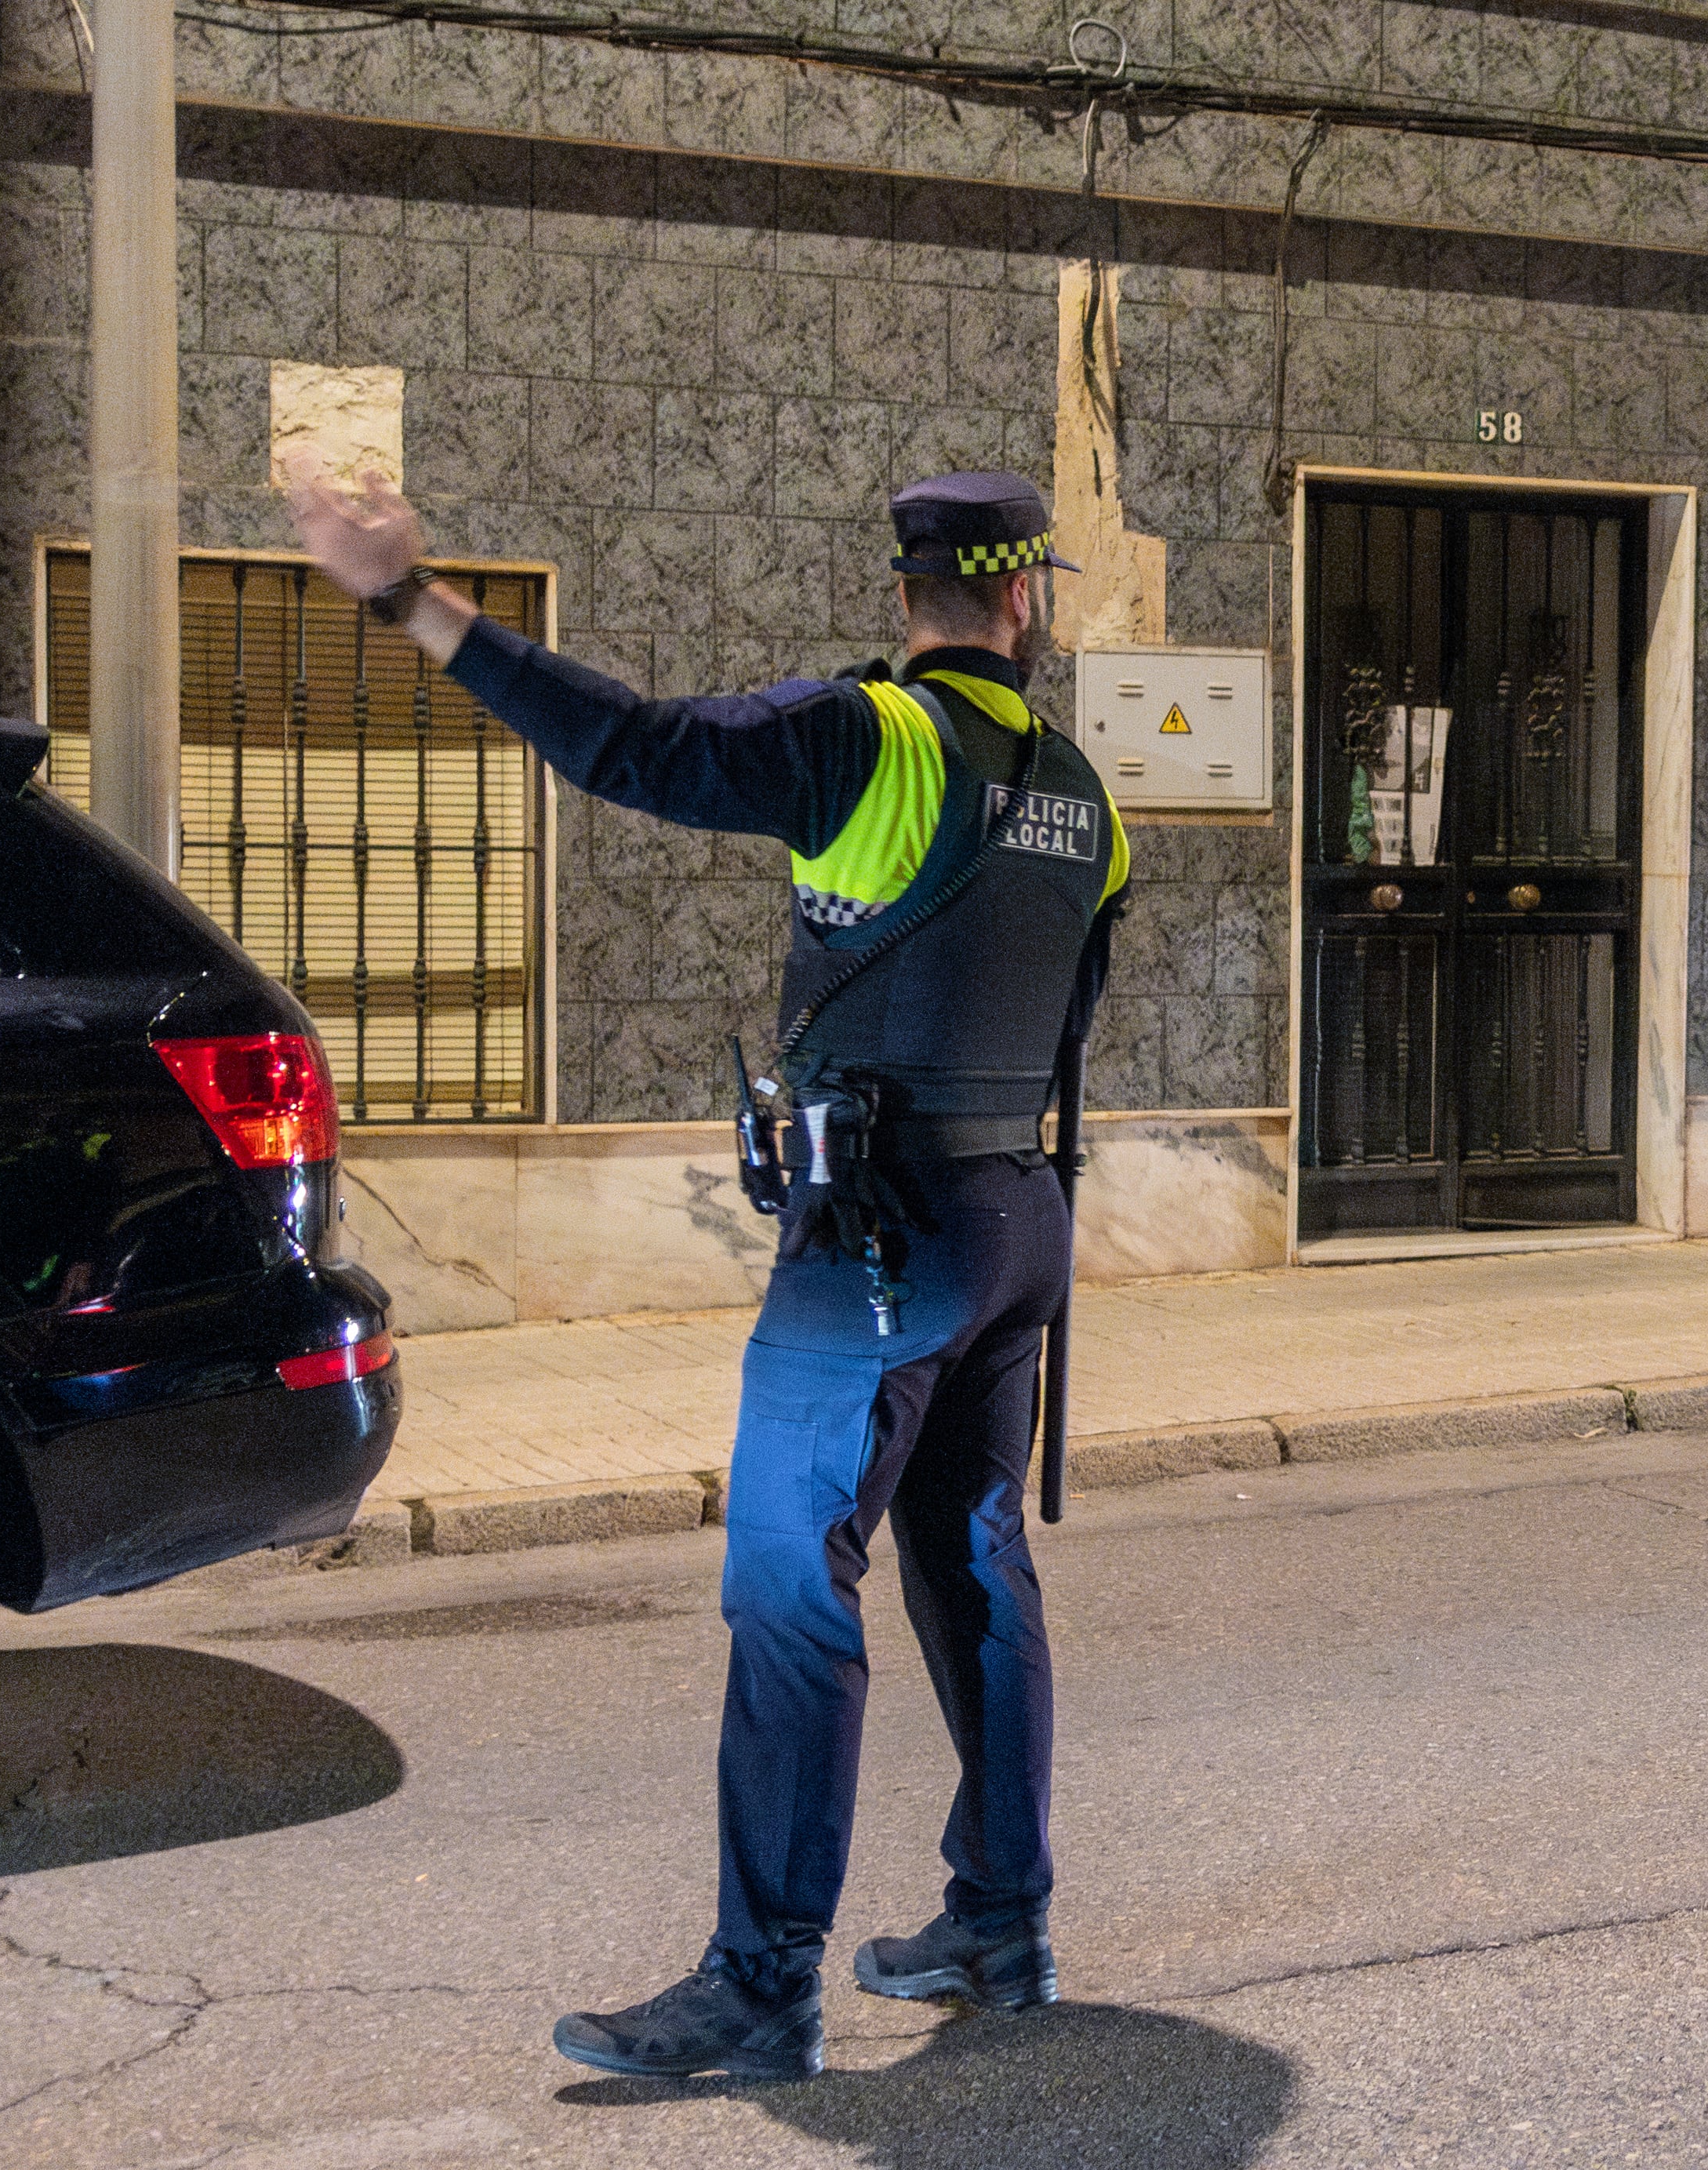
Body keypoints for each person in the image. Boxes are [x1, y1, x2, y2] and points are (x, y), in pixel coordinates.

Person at [289, 466, 1128, 2083]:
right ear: (1025, 600)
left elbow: (634, 746)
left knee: (785, 1579)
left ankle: (757, 1988)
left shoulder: (869, 736)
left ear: (916, 597)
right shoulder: (1087, 797)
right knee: (972, 1559)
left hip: (874, 1247)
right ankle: (999, 1919)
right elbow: (1070, 1028)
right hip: (1016, 1217)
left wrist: (410, 599)